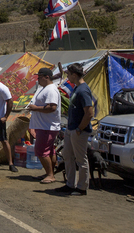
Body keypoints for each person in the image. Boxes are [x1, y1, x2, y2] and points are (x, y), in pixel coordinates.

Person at [55, 63, 94, 196]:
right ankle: (70, 184)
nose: (67, 77)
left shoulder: (83, 90)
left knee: (81, 159)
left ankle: (82, 187)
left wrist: (79, 128)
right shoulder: (77, 89)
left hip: (78, 130)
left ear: (74, 75)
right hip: (71, 128)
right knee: (67, 155)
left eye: (68, 74)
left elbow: (89, 112)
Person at [28, 67, 61, 184]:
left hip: (47, 126)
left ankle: (50, 175)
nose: (38, 79)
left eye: (40, 77)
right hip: (44, 125)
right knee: (49, 151)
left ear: (47, 77)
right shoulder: (44, 88)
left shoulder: (51, 89)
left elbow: (52, 107)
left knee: (41, 150)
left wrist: (35, 108)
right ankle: (49, 172)